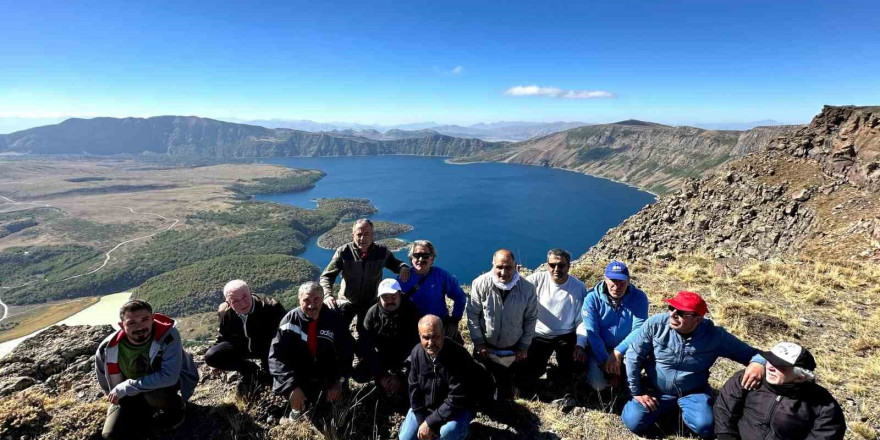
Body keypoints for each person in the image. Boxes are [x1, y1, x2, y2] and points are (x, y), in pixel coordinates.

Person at [622, 291, 766, 438]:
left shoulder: (715, 336)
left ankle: (687, 408)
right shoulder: (656, 324)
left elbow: (755, 354)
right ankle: (666, 409)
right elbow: (633, 356)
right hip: (655, 388)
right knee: (633, 421)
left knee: (705, 426)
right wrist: (637, 392)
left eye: (681, 312)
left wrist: (757, 363)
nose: (673, 314)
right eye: (671, 308)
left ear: (698, 319)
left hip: (692, 391)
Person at [95, 300, 199, 440]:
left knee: (154, 395)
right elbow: (105, 380)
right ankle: (141, 412)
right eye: (131, 322)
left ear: (152, 319)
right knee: (110, 435)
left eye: (145, 319)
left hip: (161, 389)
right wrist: (119, 396)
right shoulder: (108, 348)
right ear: (121, 325)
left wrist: (127, 386)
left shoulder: (167, 336)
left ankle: (176, 410)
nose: (140, 326)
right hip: (130, 394)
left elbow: (169, 377)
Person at [714, 342, 846, 440]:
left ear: (801, 377)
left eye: (780, 366)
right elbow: (724, 410)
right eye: (770, 361)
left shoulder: (823, 405)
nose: (771, 368)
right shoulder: (749, 378)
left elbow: (825, 435)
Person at [269, 282, 354, 417]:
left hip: (326, 372)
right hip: (299, 373)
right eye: (306, 300)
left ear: (322, 299)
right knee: (296, 397)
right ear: (299, 300)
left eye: (316, 300)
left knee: (333, 403)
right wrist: (291, 386)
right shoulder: (289, 321)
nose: (311, 305)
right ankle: (297, 407)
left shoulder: (334, 320)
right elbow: (276, 356)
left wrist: (339, 381)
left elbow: (347, 351)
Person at [466, 249, 538, 401]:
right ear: (493, 265)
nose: (503, 272)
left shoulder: (527, 289)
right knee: (482, 388)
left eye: (508, 267)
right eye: (499, 267)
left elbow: (530, 318)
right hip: (486, 347)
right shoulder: (480, 284)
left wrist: (524, 346)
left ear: (515, 266)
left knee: (507, 394)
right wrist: (478, 342)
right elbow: (473, 314)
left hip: (513, 349)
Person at [400, 315, 487, 440]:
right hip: (428, 407)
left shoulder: (458, 356)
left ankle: (466, 431)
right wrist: (422, 423)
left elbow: (457, 398)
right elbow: (414, 390)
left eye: (435, 336)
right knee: (405, 438)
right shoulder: (416, 353)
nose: (430, 343)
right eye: (426, 337)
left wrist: (431, 423)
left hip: (457, 409)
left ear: (443, 334)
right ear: (419, 336)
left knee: (448, 433)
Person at [320, 218, 411, 334]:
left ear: (373, 234)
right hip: (347, 302)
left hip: (371, 303)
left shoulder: (381, 252)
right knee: (336, 331)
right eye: (359, 234)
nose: (362, 238)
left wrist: (403, 267)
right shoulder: (344, 252)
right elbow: (327, 276)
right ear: (353, 235)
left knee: (366, 336)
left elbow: (396, 264)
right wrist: (327, 295)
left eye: (367, 234)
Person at [578, 260, 649, 391]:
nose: (617, 286)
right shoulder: (592, 298)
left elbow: (639, 329)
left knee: (631, 383)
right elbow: (592, 332)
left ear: (628, 281)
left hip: (628, 348)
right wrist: (606, 361)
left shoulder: (639, 298)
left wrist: (618, 352)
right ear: (605, 279)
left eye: (622, 282)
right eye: (613, 281)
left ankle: (628, 380)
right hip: (600, 347)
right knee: (598, 385)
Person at [522, 248, 588, 387]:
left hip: (566, 335)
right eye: (552, 265)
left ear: (569, 266)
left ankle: (565, 389)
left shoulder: (578, 287)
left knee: (574, 368)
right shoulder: (535, 281)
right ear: (547, 265)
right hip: (539, 334)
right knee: (531, 370)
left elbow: (582, 320)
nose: (556, 269)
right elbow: (518, 295)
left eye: (561, 265)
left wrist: (580, 345)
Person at [204, 280, 286, 388]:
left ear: (250, 292)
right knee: (212, 356)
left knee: (273, 382)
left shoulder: (271, 307)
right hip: (241, 348)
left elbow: (285, 335)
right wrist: (217, 363)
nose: (242, 303)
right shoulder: (225, 312)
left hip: (267, 349)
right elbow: (224, 335)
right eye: (235, 301)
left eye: (244, 297)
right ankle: (250, 370)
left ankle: (265, 373)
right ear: (228, 302)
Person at [354, 278, 421, 396]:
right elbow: (365, 346)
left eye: (393, 297)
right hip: (382, 355)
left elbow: (418, 343)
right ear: (379, 298)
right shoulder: (372, 313)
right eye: (385, 297)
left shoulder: (411, 311)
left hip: (405, 356)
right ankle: (384, 381)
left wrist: (401, 374)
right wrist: (380, 374)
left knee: (418, 373)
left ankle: (403, 384)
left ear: (400, 294)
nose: (390, 301)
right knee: (359, 374)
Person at [396, 240, 467, 344]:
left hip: (440, 325)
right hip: (413, 327)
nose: (420, 259)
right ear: (411, 258)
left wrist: (453, 321)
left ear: (432, 258)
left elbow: (459, 296)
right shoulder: (403, 278)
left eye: (425, 256)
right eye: (416, 255)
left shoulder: (441, 276)